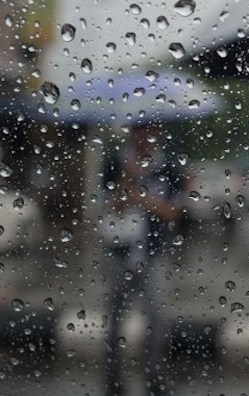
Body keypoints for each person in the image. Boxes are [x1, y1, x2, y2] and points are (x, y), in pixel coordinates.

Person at [101, 122, 187, 396]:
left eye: (150, 132)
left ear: (158, 134)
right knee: (115, 314)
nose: (145, 138)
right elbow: (111, 207)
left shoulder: (169, 168)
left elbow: (175, 212)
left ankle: (154, 373)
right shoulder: (115, 163)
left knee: (157, 315)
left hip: (153, 252)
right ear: (131, 133)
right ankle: (111, 374)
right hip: (121, 251)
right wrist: (129, 178)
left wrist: (143, 199)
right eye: (139, 131)